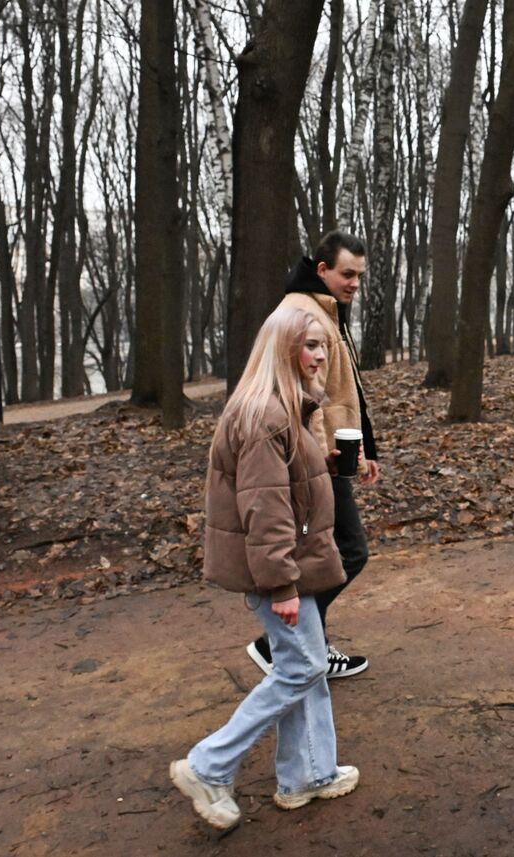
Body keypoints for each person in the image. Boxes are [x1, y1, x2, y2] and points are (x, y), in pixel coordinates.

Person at [170, 306, 358, 829]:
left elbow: (287, 487)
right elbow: (266, 507)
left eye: (323, 346)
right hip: (277, 571)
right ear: (282, 349)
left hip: (292, 565)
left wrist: (336, 468)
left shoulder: (286, 407)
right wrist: (280, 584)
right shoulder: (265, 416)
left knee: (308, 666)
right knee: (302, 668)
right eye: (309, 346)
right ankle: (208, 765)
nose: (319, 356)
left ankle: (307, 776)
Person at [245, 231, 378, 680]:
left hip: (330, 451)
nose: (354, 283)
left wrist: (366, 448)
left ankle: (306, 643)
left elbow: (345, 387)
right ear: (322, 270)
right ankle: (282, 643)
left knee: (326, 552)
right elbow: (303, 397)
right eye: (347, 273)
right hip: (314, 457)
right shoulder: (301, 316)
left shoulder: (323, 309)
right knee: (348, 551)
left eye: (359, 275)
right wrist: (325, 460)